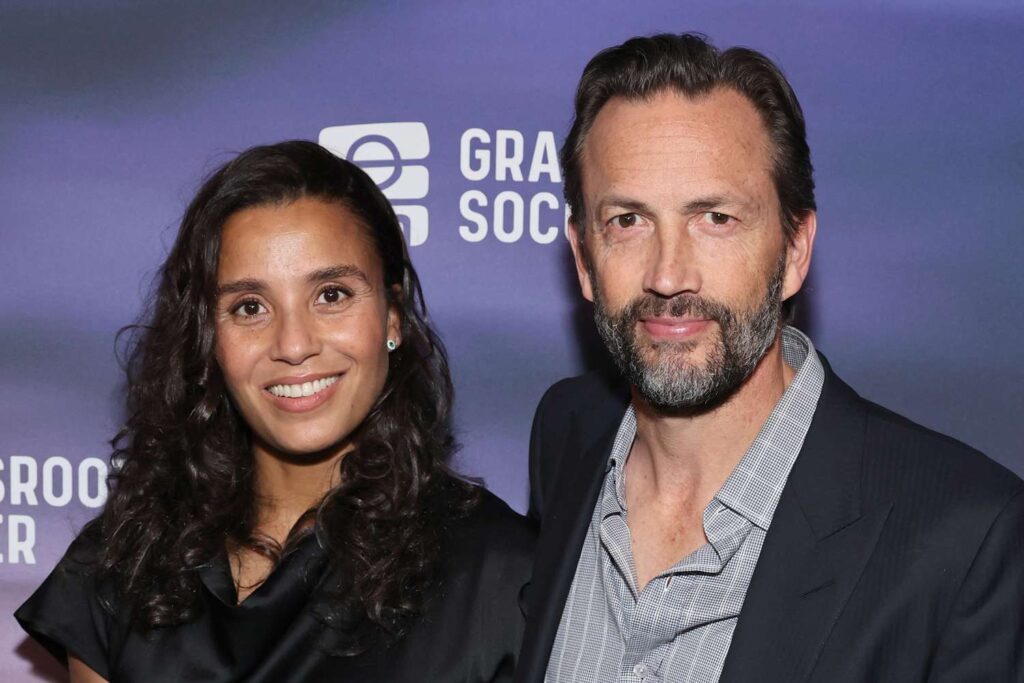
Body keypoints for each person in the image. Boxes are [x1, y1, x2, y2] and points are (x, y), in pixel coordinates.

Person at [516, 34, 1024, 683]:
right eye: (628, 221)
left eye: (717, 218)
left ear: (794, 251)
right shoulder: (567, 433)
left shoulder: (965, 540)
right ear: (584, 257)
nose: (668, 275)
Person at [16, 140, 534, 682]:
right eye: (250, 307)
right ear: (208, 339)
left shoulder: (497, 574)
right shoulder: (126, 559)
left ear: (393, 317)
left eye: (332, 295)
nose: (292, 344)